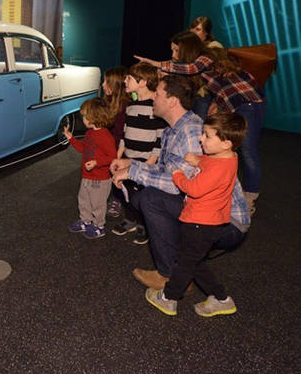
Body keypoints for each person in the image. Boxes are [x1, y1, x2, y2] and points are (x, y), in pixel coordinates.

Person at [111, 75, 250, 289]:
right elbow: (170, 171)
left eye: (157, 94)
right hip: (206, 211)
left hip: (226, 222)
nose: (153, 99)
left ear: (172, 101)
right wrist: (131, 164)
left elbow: (175, 182)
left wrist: (132, 172)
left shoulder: (191, 131)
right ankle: (183, 262)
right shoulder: (172, 129)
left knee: (150, 199)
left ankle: (171, 275)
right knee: (143, 198)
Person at [135, 32, 266, 215]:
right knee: (226, 147)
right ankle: (224, 192)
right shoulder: (200, 67)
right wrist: (216, 103)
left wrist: (155, 63)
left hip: (249, 102)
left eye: (175, 50)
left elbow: (190, 69)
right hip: (234, 104)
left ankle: (249, 197)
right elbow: (214, 86)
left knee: (247, 151)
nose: (173, 55)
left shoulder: (206, 57)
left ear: (187, 49)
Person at [145, 112, 246, 317]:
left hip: (200, 223)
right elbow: (212, 163)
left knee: (184, 264)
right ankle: (221, 299)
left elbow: (194, 188)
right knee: (193, 262)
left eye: (207, 136)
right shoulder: (229, 158)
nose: (201, 139)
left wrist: (177, 174)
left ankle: (169, 298)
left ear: (226, 143)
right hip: (211, 222)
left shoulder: (217, 168)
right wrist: (198, 159)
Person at [111, 62, 166, 245]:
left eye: (128, 78)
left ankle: (143, 224)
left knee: (141, 195)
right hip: (128, 158)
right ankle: (130, 219)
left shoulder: (155, 107)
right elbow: (125, 133)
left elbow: (159, 138)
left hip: (146, 161)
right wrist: (120, 154)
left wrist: (151, 161)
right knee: (126, 191)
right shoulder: (131, 106)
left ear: (142, 82)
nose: (125, 81)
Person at [65, 98, 117, 239]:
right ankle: (86, 221)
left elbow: (113, 156)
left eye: (85, 116)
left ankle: (99, 226)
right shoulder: (90, 133)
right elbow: (84, 148)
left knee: (98, 204)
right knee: (83, 200)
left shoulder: (106, 136)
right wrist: (71, 139)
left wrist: (96, 162)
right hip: (87, 176)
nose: (83, 118)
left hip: (100, 179)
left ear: (95, 116)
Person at [101, 66, 131, 219]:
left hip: (120, 149)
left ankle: (118, 198)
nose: (103, 85)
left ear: (115, 85)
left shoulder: (125, 107)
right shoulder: (107, 102)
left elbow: (120, 135)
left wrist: (113, 153)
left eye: (106, 82)